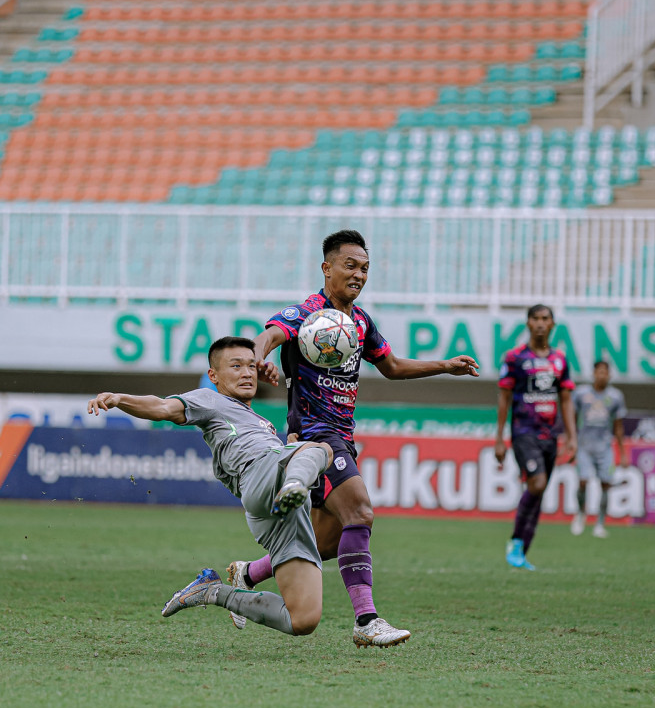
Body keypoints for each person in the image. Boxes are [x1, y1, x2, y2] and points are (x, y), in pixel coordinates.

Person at [227, 229, 480, 648]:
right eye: (350, 265)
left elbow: (393, 366)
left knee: (326, 541)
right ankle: (366, 621)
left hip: (341, 436)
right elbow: (269, 334)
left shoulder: (359, 322)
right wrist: (259, 357)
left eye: (364, 268)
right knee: (360, 513)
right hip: (314, 438)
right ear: (327, 268)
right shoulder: (308, 313)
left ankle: (247, 574)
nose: (358, 274)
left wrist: (445, 366)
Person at [86, 336, 333, 639]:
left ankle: (212, 591)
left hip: (279, 514)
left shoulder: (261, 422)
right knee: (321, 448)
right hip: (260, 478)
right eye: (236, 366)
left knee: (303, 619)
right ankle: (295, 483)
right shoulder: (209, 399)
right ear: (214, 376)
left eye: (251, 366)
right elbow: (163, 407)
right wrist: (120, 399)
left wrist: (290, 450)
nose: (246, 373)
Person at [494, 304, 577, 570]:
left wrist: (571, 437)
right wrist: (499, 438)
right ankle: (515, 542)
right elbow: (504, 397)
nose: (541, 323)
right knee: (538, 484)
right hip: (524, 432)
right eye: (536, 319)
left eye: (545, 319)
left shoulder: (560, 360)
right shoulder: (515, 357)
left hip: (550, 434)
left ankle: (521, 550)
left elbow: (566, 399)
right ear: (528, 323)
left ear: (553, 324)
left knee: (538, 491)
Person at [570, 361, 629, 538]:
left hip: (604, 448)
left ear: (609, 375)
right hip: (584, 446)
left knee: (605, 484)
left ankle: (600, 523)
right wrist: (570, 441)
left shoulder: (616, 396)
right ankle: (581, 513)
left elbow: (618, 427)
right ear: (594, 373)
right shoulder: (581, 393)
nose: (602, 375)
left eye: (605, 372)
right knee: (582, 481)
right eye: (599, 372)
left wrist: (623, 452)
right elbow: (571, 418)